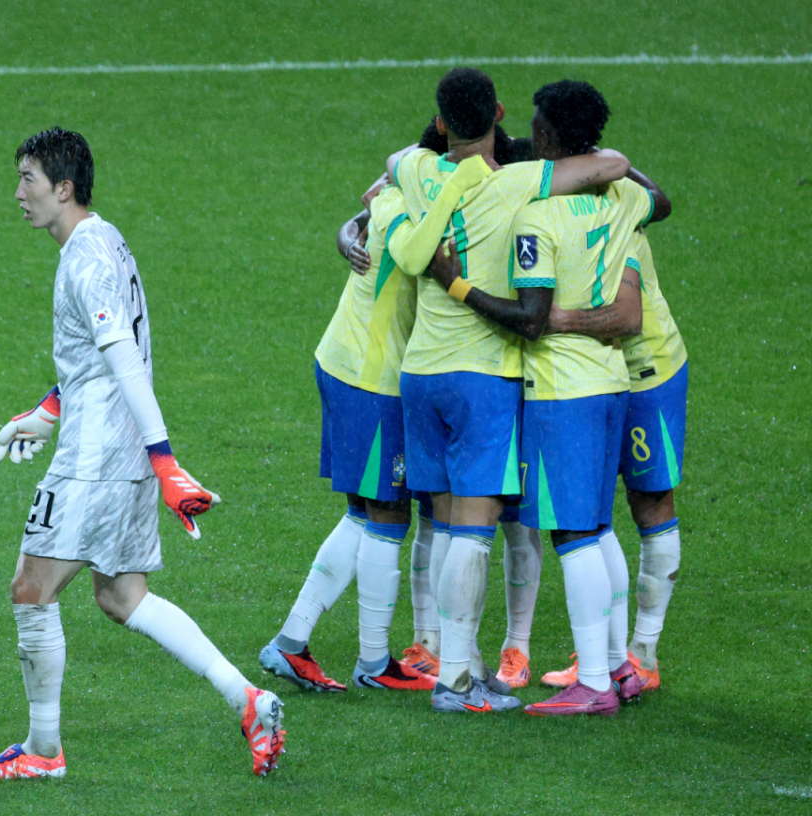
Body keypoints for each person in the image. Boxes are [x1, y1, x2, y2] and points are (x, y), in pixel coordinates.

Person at [0, 127, 285, 779]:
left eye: (28, 180)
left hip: (101, 455)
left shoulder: (84, 258)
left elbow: (127, 363)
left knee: (31, 590)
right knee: (122, 596)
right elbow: (95, 358)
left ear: (63, 188)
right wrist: (48, 413)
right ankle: (247, 700)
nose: (17, 193)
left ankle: (43, 752)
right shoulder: (103, 238)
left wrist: (166, 461)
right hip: (117, 448)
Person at [386, 67, 633, 713]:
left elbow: (393, 161)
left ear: (440, 122)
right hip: (482, 379)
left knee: (440, 525)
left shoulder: (416, 169)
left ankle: (449, 661)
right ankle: (458, 682)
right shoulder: (521, 181)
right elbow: (610, 165)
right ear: (498, 114)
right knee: (473, 530)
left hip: (420, 374)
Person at [259, 153, 488, 692]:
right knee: (388, 514)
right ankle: (373, 662)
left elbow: (373, 205)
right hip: (373, 376)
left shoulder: (394, 196)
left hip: (348, 363)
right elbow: (411, 255)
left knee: (363, 513)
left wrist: (352, 226)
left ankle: (291, 643)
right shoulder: (411, 210)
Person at [540, 226, 685, 692]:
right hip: (599, 376)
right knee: (591, 514)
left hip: (646, 371)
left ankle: (643, 654)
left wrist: (558, 320)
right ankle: (606, 658)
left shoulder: (621, 202)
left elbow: (629, 317)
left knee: (650, 501)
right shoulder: (582, 197)